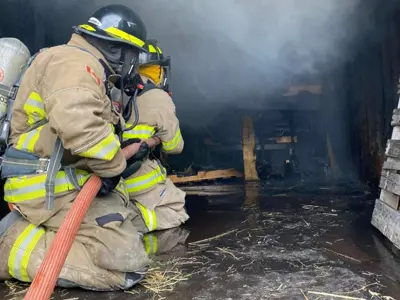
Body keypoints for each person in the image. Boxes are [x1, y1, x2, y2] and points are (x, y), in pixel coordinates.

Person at [0, 4, 151, 291]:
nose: (135, 67)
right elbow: (81, 127)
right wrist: (115, 164)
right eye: (135, 56)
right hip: (44, 189)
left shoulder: (81, 65)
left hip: (62, 183)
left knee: (132, 226)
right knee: (125, 264)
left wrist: (119, 152)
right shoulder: (73, 62)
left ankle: (35, 235)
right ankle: (11, 244)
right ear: (119, 50)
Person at [111, 39, 189, 234]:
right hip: (138, 179)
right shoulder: (159, 97)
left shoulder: (114, 90)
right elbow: (175, 147)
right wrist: (159, 138)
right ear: (159, 70)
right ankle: (129, 222)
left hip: (109, 176)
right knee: (176, 210)